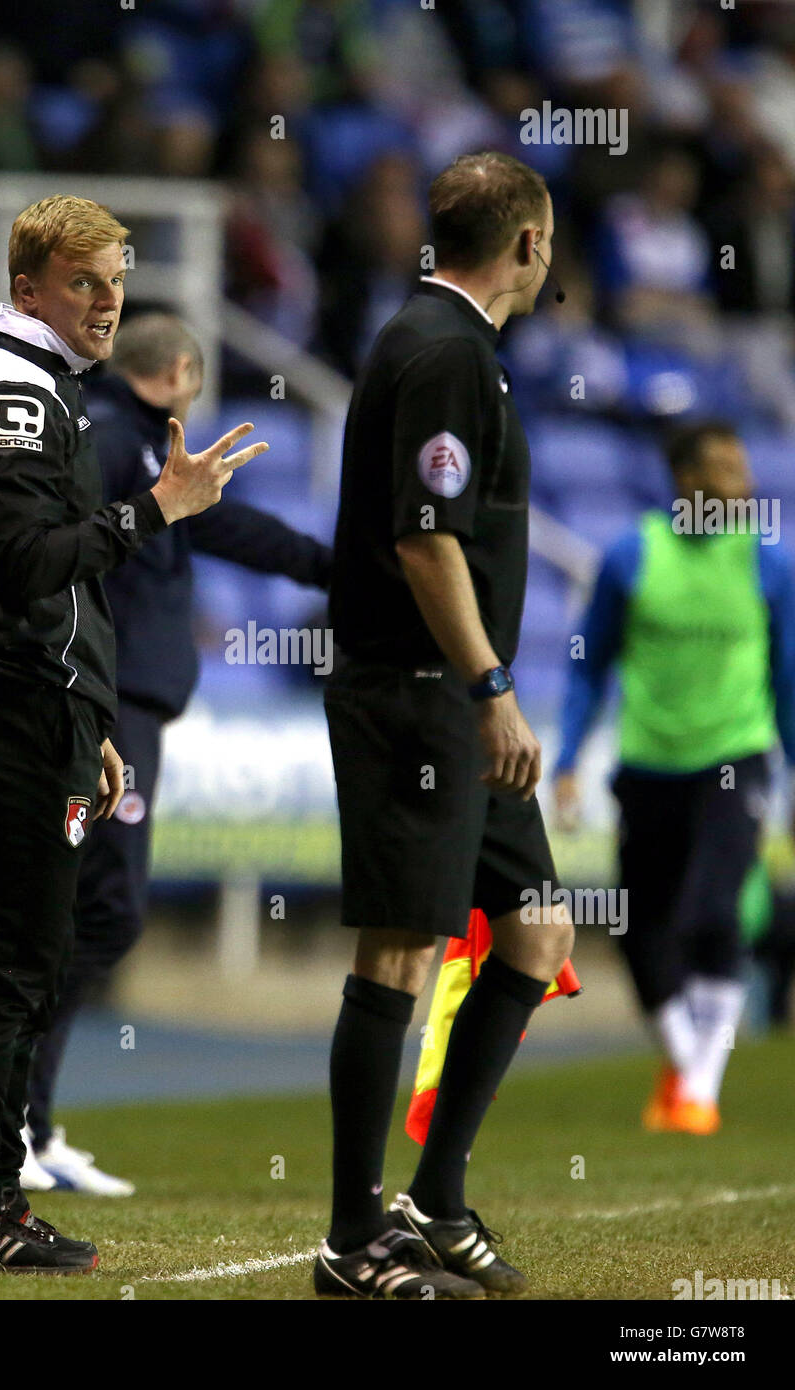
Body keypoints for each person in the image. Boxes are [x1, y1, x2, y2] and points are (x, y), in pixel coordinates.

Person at [0, 193, 267, 1275]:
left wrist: (93, 715)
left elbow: (46, 583)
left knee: (23, 960)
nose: (107, 302)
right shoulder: (18, 398)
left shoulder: (34, 387)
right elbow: (29, 563)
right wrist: (158, 508)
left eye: (116, 282)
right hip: (9, 708)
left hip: (39, 706)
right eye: (83, 282)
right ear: (28, 288)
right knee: (10, 965)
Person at [316, 151, 573, 1300]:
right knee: (402, 950)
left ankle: (436, 1195)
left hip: (454, 701)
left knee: (535, 936)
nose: (552, 257)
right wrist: (490, 690)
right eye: (549, 239)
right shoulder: (444, 351)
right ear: (526, 243)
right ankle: (349, 1239)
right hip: (422, 697)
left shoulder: (453, 347)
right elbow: (427, 540)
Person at [22, 313, 331, 1194]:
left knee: (87, 906)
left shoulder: (141, 451)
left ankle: (26, 1124)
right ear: (185, 372)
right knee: (99, 908)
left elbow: (232, 530)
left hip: (126, 706)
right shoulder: (117, 441)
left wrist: (337, 568)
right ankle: (0, 1114)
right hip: (108, 708)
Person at [553, 421, 795, 1134]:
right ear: (684, 478)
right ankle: (687, 1066)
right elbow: (587, 666)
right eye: (723, 466)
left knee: (715, 914)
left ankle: (697, 1090)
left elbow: (788, 680)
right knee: (637, 931)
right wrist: (568, 760)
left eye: (743, 466)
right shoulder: (633, 557)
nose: (742, 481)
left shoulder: (767, 566)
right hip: (649, 766)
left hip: (734, 759)